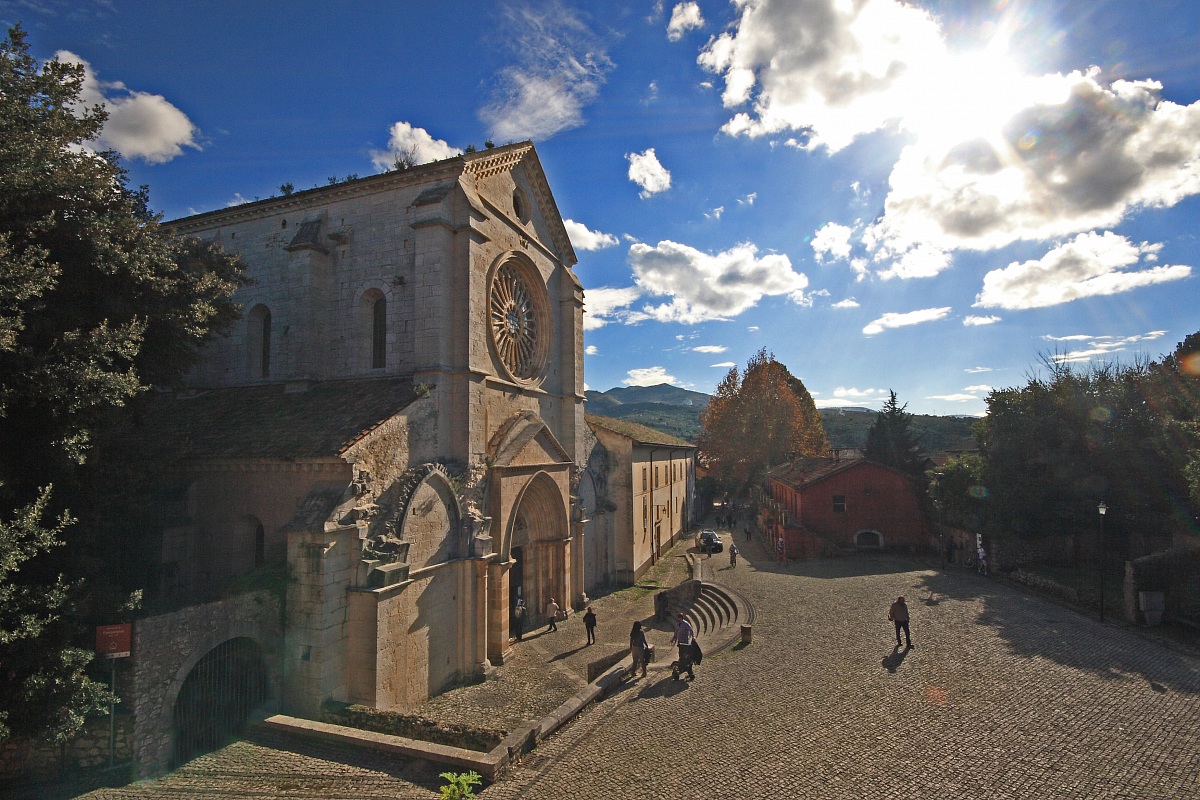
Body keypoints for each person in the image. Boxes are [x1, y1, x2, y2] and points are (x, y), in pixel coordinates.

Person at [670, 616, 697, 680]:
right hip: (680, 642)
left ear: (682, 618)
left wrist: (693, 636)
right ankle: (681, 664)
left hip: (685, 642)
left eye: (679, 618)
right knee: (681, 655)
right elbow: (676, 632)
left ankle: (685, 666)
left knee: (685, 655)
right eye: (678, 618)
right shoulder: (678, 624)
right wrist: (673, 638)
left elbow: (691, 630)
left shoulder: (686, 624)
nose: (678, 620)